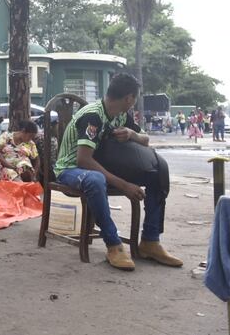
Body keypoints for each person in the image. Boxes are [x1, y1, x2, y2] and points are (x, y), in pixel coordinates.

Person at [54, 73, 182, 271]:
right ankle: (113, 244)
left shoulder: (121, 114)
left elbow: (145, 140)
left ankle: (150, 241)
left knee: (158, 170)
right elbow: (83, 160)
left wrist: (132, 134)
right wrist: (125, 185)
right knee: (95, 180)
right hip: (71, 169)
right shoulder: (93, 116)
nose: (134, 102)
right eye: (135, 98)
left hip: (100, 166)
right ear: (129, 98)